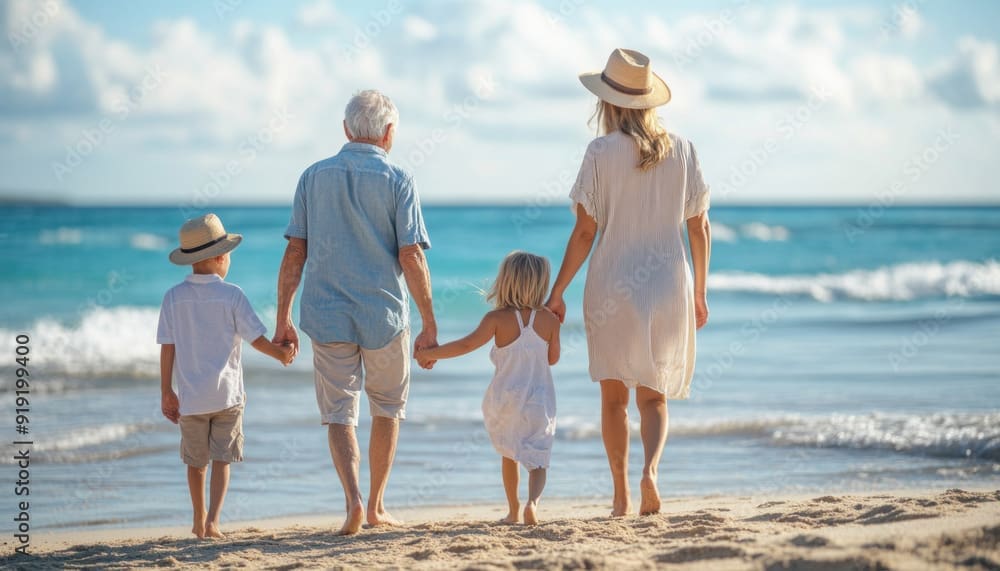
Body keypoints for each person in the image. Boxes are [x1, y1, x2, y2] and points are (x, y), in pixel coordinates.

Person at [545, 48, 712, 517]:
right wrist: (699, 290)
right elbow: (699, 226)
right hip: (667, 285)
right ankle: (650, 474)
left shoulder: (599, 152)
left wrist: (556, 292)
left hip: (613, 284)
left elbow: (584, 231)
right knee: (654, 395)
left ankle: (620, 494)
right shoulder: (683, 150)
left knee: (614, 396)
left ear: (609, 103)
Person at [273, 89, 437, 535]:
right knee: (386, 406)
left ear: (346, 129)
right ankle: (378, 504)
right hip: (383, 314)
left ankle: (353, 502)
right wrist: (429, 323)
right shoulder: (400, 178)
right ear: (388, 133)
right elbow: (411, 256)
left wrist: (282, 318)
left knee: (340, 411)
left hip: (326, 315)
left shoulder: (312, 176)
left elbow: (295, 253)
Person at [158, 213, 295, 539]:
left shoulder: (173, 297)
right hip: (228, 397)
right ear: (220, 257)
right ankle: (214, 522)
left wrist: (167, 390)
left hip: (190, 398)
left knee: (196, 462)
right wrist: (281, 353)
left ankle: (198, 518)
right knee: (223, 459)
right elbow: (256, 338)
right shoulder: (232, 295)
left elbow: (167, 347)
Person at [415, 251, 560, 526]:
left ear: (505, 281)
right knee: (538, 459)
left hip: (505, 398)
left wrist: (431, 354)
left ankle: (513, 510)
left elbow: (467, 345)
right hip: (540, 399)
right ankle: (533, 504)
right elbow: (552, 358)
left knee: (509, 453)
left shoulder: (496, 318)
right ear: (541, 283)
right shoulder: (550, 320)